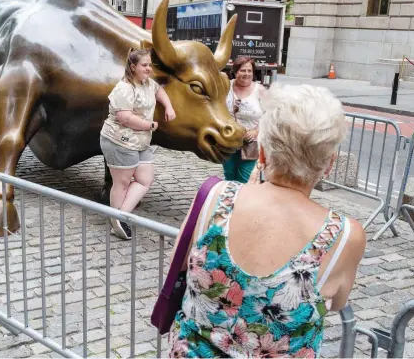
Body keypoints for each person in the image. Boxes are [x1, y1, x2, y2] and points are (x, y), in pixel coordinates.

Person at [167, 84, 366, 358]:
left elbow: (179, 264)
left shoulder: (215, 197)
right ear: (329, 164)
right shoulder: (344, 235)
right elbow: (337, 302)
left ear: (262, 152)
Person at [99, 48, 176, 240]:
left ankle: (120, 216)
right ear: (133, 67)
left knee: (145, 179)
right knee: (122, 183)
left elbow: (159, 91)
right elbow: (125, 117)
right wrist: (150, 125)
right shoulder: (124, 88)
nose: (149, 68)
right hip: (119, 140)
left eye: (150, 65)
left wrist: (168, 106)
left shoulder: (147, 83)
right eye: (144, 65)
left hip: (140, 142)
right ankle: (118, 220)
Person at [223, 56, 268, 183]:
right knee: (229, 175)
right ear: (235, 71)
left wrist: (256, 131)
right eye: (243, 70)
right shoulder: (226, 86)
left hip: (250, 143)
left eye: (249, 71)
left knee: (245, 177)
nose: (247, 74)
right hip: (228, 140)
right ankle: (229, 201)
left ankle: (241, 201)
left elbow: (271, 115)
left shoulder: (260, 90)